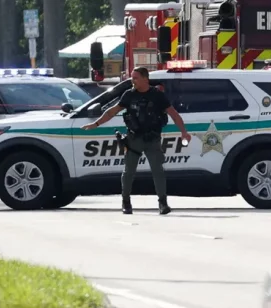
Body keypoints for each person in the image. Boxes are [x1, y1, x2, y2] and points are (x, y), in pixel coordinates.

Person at [81, 67, 191, 215]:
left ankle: (163, 203)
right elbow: (112, 111)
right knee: (128, 172)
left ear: (146, 79)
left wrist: (183, 132)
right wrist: (96, 124)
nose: (133, 81)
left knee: (158, 171)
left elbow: (173, 113)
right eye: (132, 78)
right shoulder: (129, 95)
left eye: (136, 78)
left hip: (152, 139)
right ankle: (126, 202)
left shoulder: (157, 95)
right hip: (134, 139)